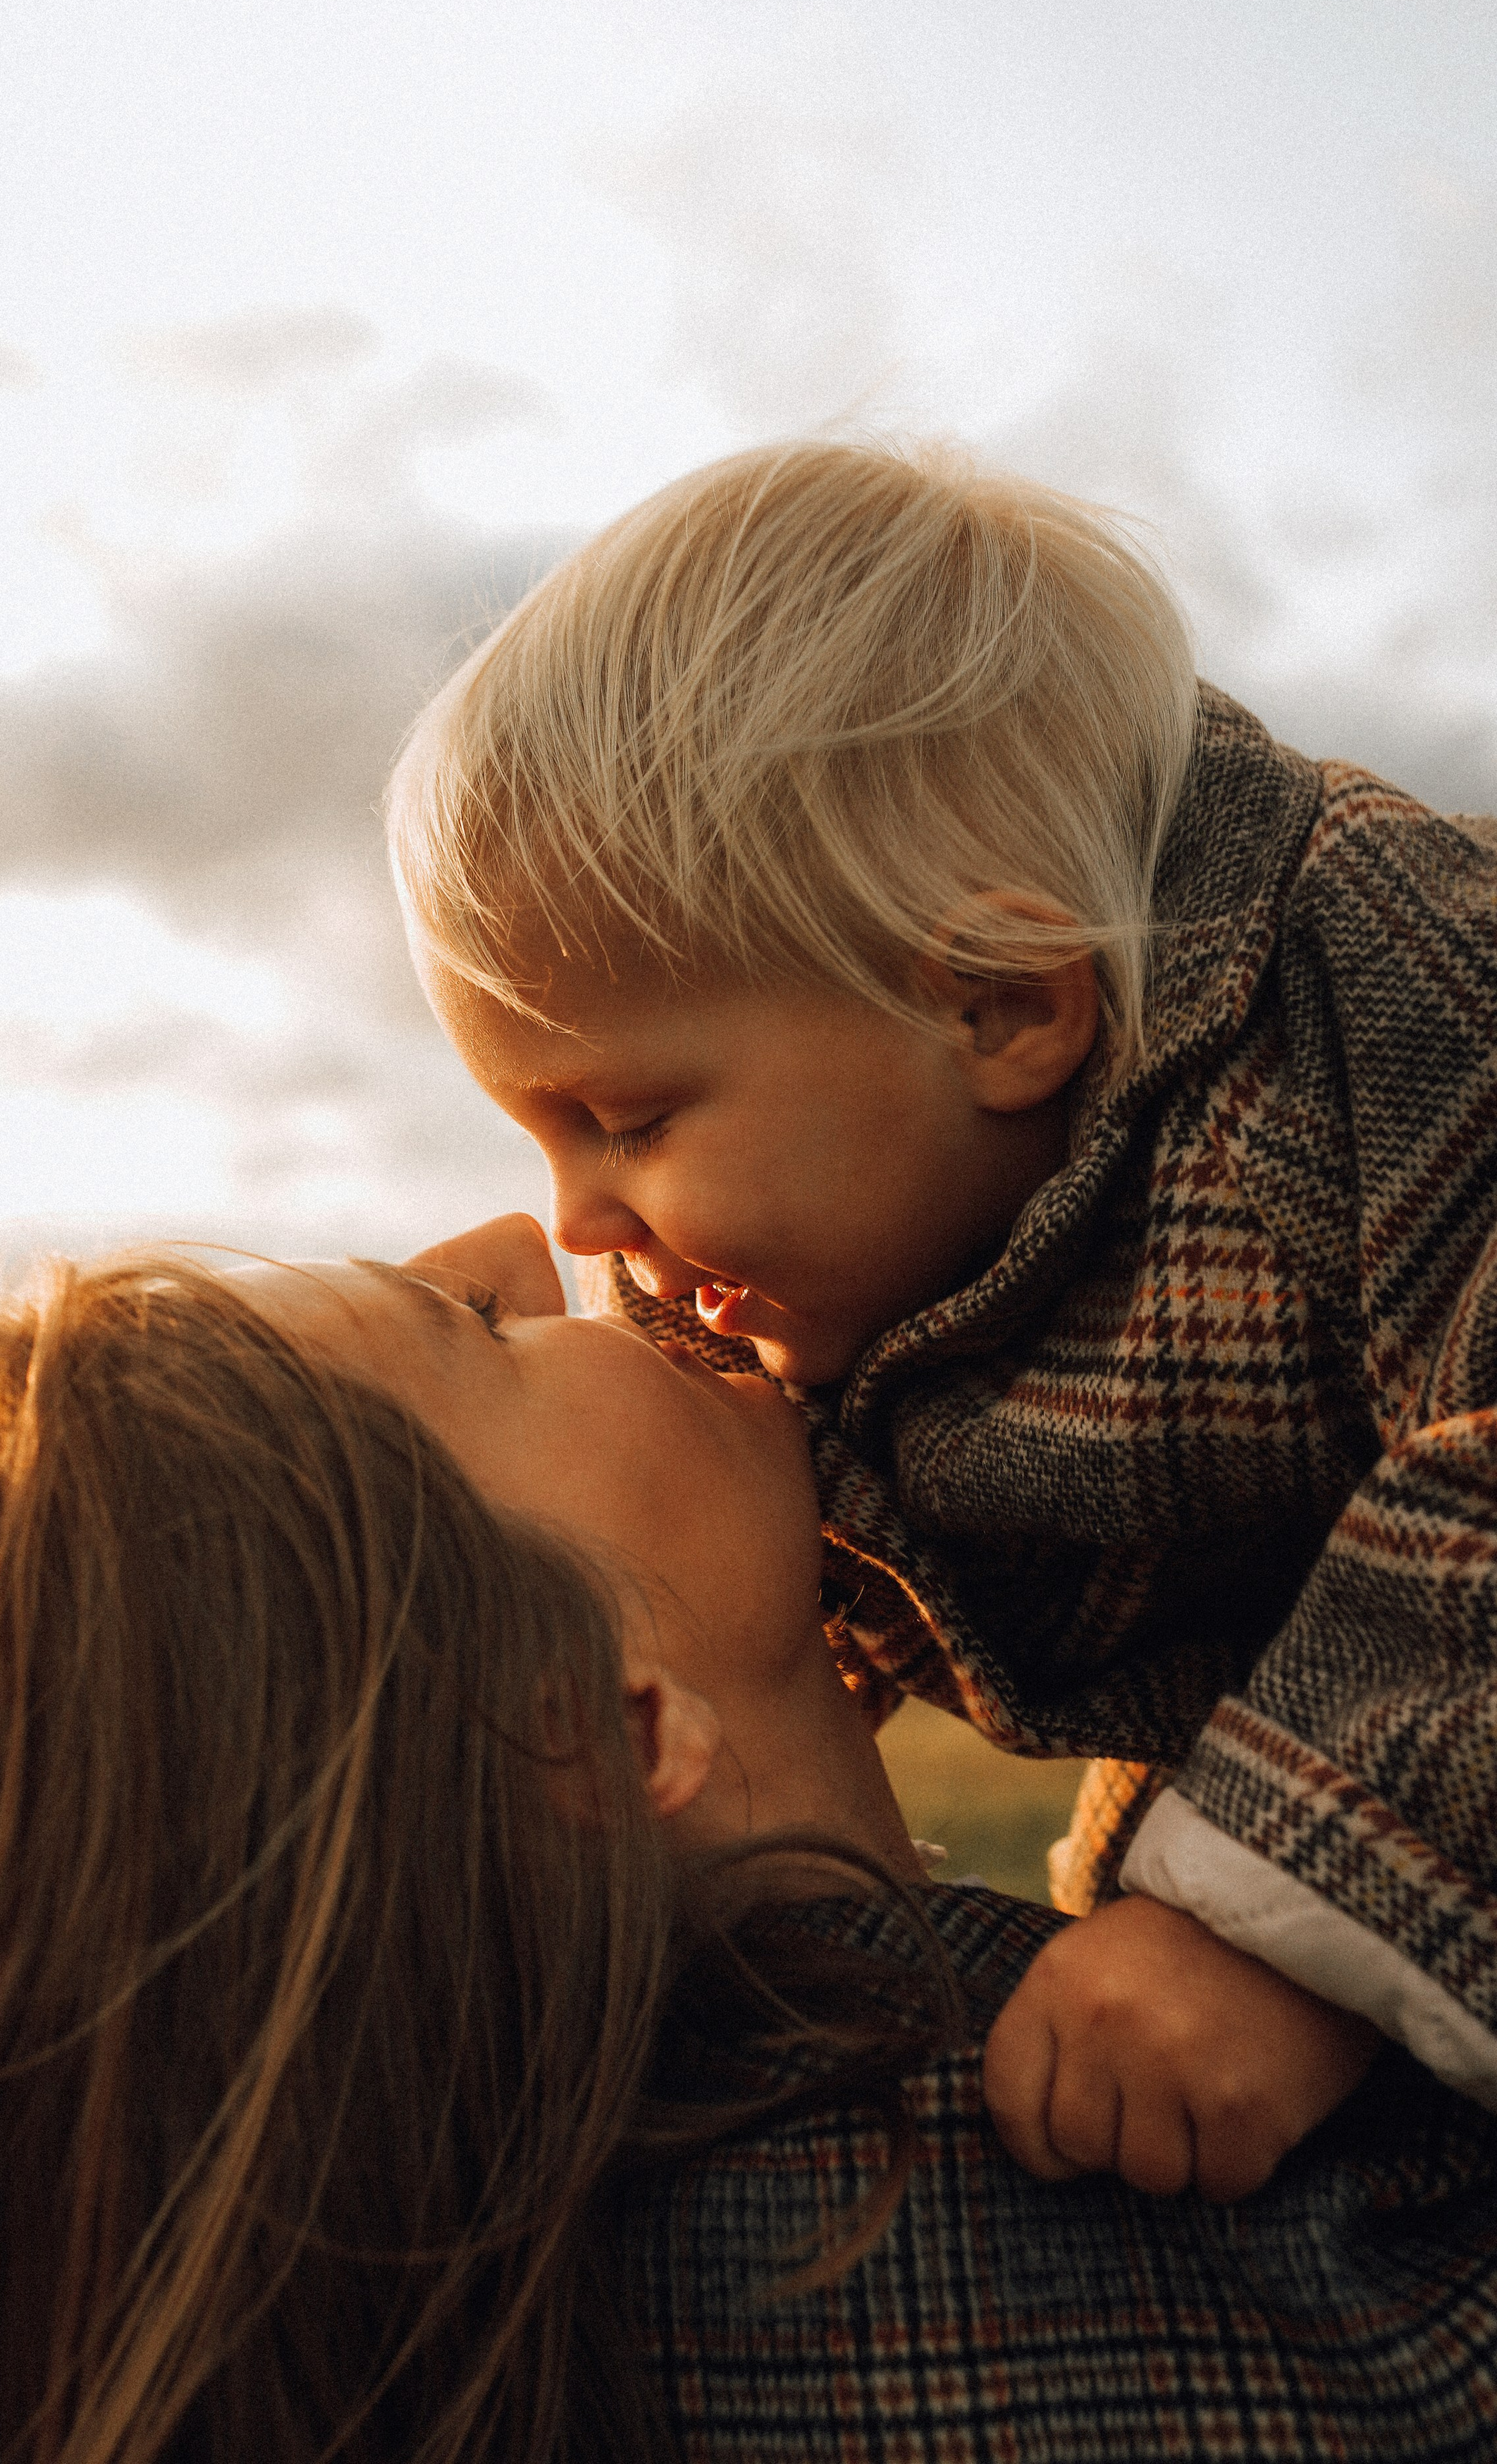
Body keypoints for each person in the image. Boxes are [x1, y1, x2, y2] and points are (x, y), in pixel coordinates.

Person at [0, 1228, 1491, 2464]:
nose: (526, 1239)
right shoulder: (1034, 2240)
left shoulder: (578, 2300)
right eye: (467, 1332)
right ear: (594, 1726)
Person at [385, 436, 1497, 2189]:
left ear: (996, 1007)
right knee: (1105, 2031)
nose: (574, 1221)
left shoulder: (1373, 998)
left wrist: (1268, 1927)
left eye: (629, 1120)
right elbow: (735, 1624)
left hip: (1398, 1707)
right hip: (1257, 1710)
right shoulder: (785, 1275)